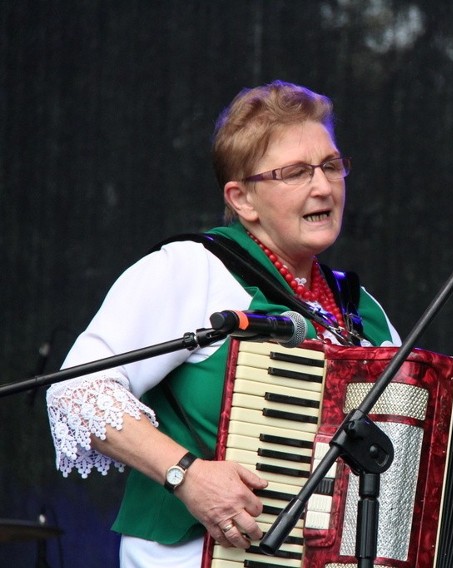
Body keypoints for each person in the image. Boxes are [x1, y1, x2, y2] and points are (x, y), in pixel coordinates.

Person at [46, 80, 400, 567]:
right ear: (242, 199)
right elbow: (76, 389)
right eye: (295, 172)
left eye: (331, 166)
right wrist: (186, 475)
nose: (323, 186)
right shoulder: (192, 269)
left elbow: (404, 475)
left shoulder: (366, 313)